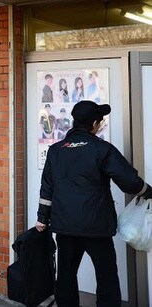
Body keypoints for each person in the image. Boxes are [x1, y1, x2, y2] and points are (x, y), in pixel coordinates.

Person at [36, 100, 152, 307]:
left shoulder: (56, 150)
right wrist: (147, 191)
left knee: (65, 276)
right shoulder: (102, 149)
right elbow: (129, 181)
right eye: (100, 121)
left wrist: (42, 218)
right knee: (106, 276)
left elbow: (47, 188)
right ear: (95, 123)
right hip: (96, 227)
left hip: (65, 227)